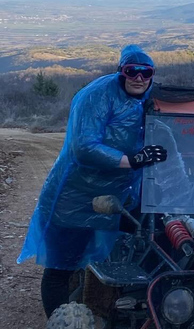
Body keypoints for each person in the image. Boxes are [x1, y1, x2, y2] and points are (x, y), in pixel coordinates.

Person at [17, 45, 168, 318]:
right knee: (60, 267)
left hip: (122, 196)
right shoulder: (96, 96)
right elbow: (83, 146)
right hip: (75, 197)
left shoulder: (150, 99)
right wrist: (132, 160)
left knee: (148, 246)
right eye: (131, 71)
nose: (139, 78)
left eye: (146, 73)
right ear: (120, 72)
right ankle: (59, 321)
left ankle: (147, 309)